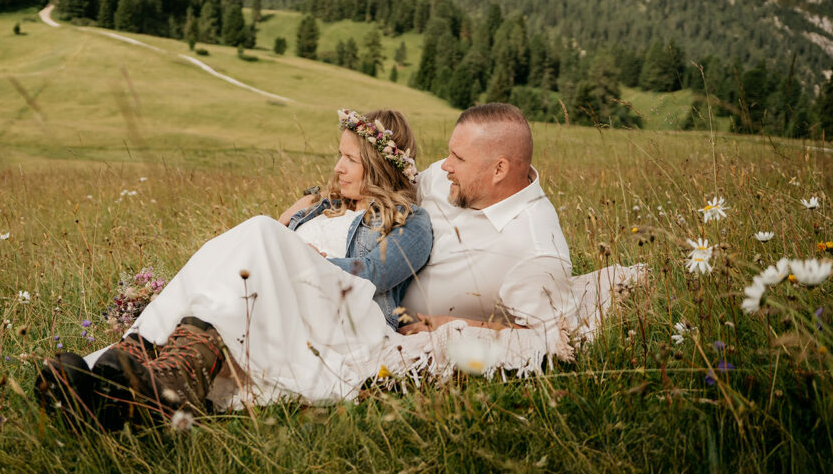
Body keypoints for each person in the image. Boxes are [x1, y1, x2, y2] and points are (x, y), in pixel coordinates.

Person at [36, 108, 432, 427]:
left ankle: (150, 361)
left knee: (257, 228)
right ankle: (132, 369)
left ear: (380, 165)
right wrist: (299, 215)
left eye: (350, 159)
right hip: (280, 301)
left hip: (342, 314)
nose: (337, 168)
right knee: (244, 238)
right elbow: (263, 243)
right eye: (339, 155)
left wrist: (302, 254)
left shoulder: (409, 220)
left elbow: (372, 274)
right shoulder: (322, 207)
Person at [396, 102, 575, 372]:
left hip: (397, 340)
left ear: (499, 170)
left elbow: (548, 339)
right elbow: (391, 198)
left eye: (459, 158)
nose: (445, 165)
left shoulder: (536, 248)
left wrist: (456, 327)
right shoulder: (445, 178)